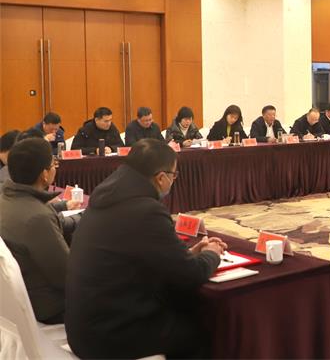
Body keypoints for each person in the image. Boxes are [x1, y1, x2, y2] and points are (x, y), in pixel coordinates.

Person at [65, 139, 225, 359]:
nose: (174, 181)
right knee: (200, 330)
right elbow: (191, 275)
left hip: (83, 328)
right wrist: (212, 254)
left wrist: (188, 255)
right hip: (109, 336)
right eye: (174, 176)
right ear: (161, 178)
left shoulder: (105, 197)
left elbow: (141, 256)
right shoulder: (145, 209)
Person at [0, 138, 76, 324]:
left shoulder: (5, 200)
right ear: (44, 174)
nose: (55, 168)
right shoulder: (38, 218)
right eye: (53, 164)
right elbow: (68, 278)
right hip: (50, 307)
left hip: (17, 302)